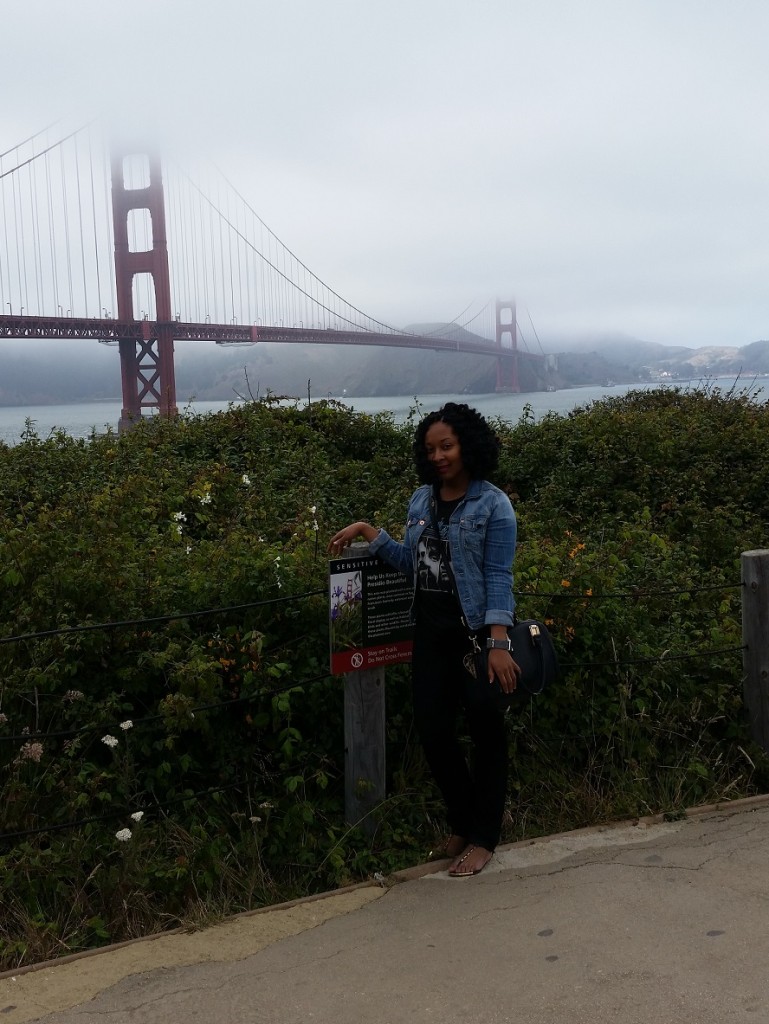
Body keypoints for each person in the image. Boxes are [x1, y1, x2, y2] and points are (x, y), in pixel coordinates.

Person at [328, 402, 520, 876]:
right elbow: (415, 566)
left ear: (467, 445)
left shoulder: (494, 504)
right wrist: (371, 533)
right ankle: (461, 821)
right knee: (434, 732)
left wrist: (499, 643)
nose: (438, 456)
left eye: (447, 446)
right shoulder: (421, 500)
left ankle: (482, 837)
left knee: (486, 736)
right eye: (431, 448)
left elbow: (498, 575)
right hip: (431, 635)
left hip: (475, 636)